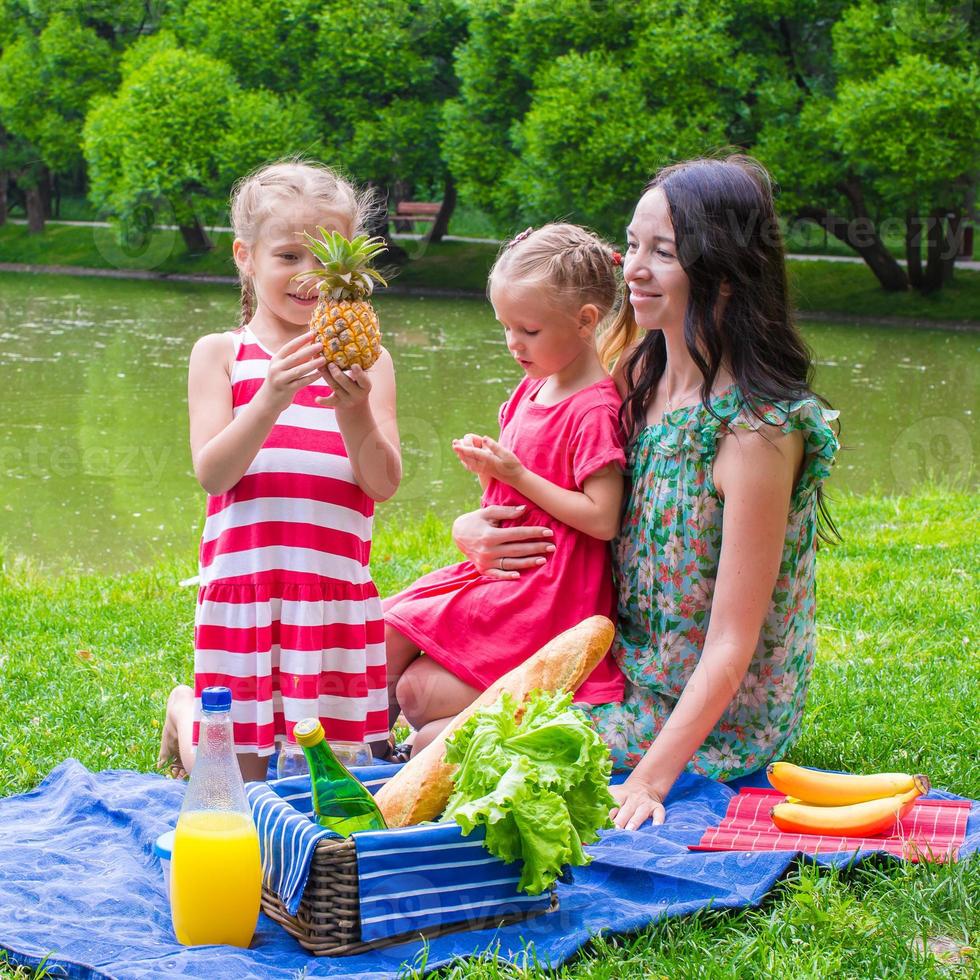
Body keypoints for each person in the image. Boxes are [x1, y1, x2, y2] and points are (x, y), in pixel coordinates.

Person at [450, 156, 839, 830]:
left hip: (708, 714)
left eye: (662, 251)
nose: (631, 267)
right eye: (632, 244)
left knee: (456, 747)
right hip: (615, 664)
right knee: (434, 698)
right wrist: (471, 530)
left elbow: (730, 645)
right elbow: (557, 501)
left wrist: (649, 784)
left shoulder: (756, 433)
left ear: (723, 272)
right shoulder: (637, 376)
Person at [157, 160, 401, 781]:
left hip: (333, 601)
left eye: (326, 258)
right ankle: (186, 713)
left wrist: (355, 412)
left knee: (344, 779)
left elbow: (383, 482)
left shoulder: (371, 361)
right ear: (246, 256)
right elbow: (213, 474)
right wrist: (267, 397)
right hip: (249, 593)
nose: (310, 276)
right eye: (289, 255)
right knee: (234, 782)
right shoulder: (221, 354)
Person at [382, 224, 628, 758]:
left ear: (586, 321)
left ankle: (387, 751)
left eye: (529, 330)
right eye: (505, 327)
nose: (514, 343)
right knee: (381, 629)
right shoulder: (533, 387)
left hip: (546, 593)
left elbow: (602, 517)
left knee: (417, 696)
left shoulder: (594, 409)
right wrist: (488, 474)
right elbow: (513, 501)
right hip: (503, 574)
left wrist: (516, 475)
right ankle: (361, 746)